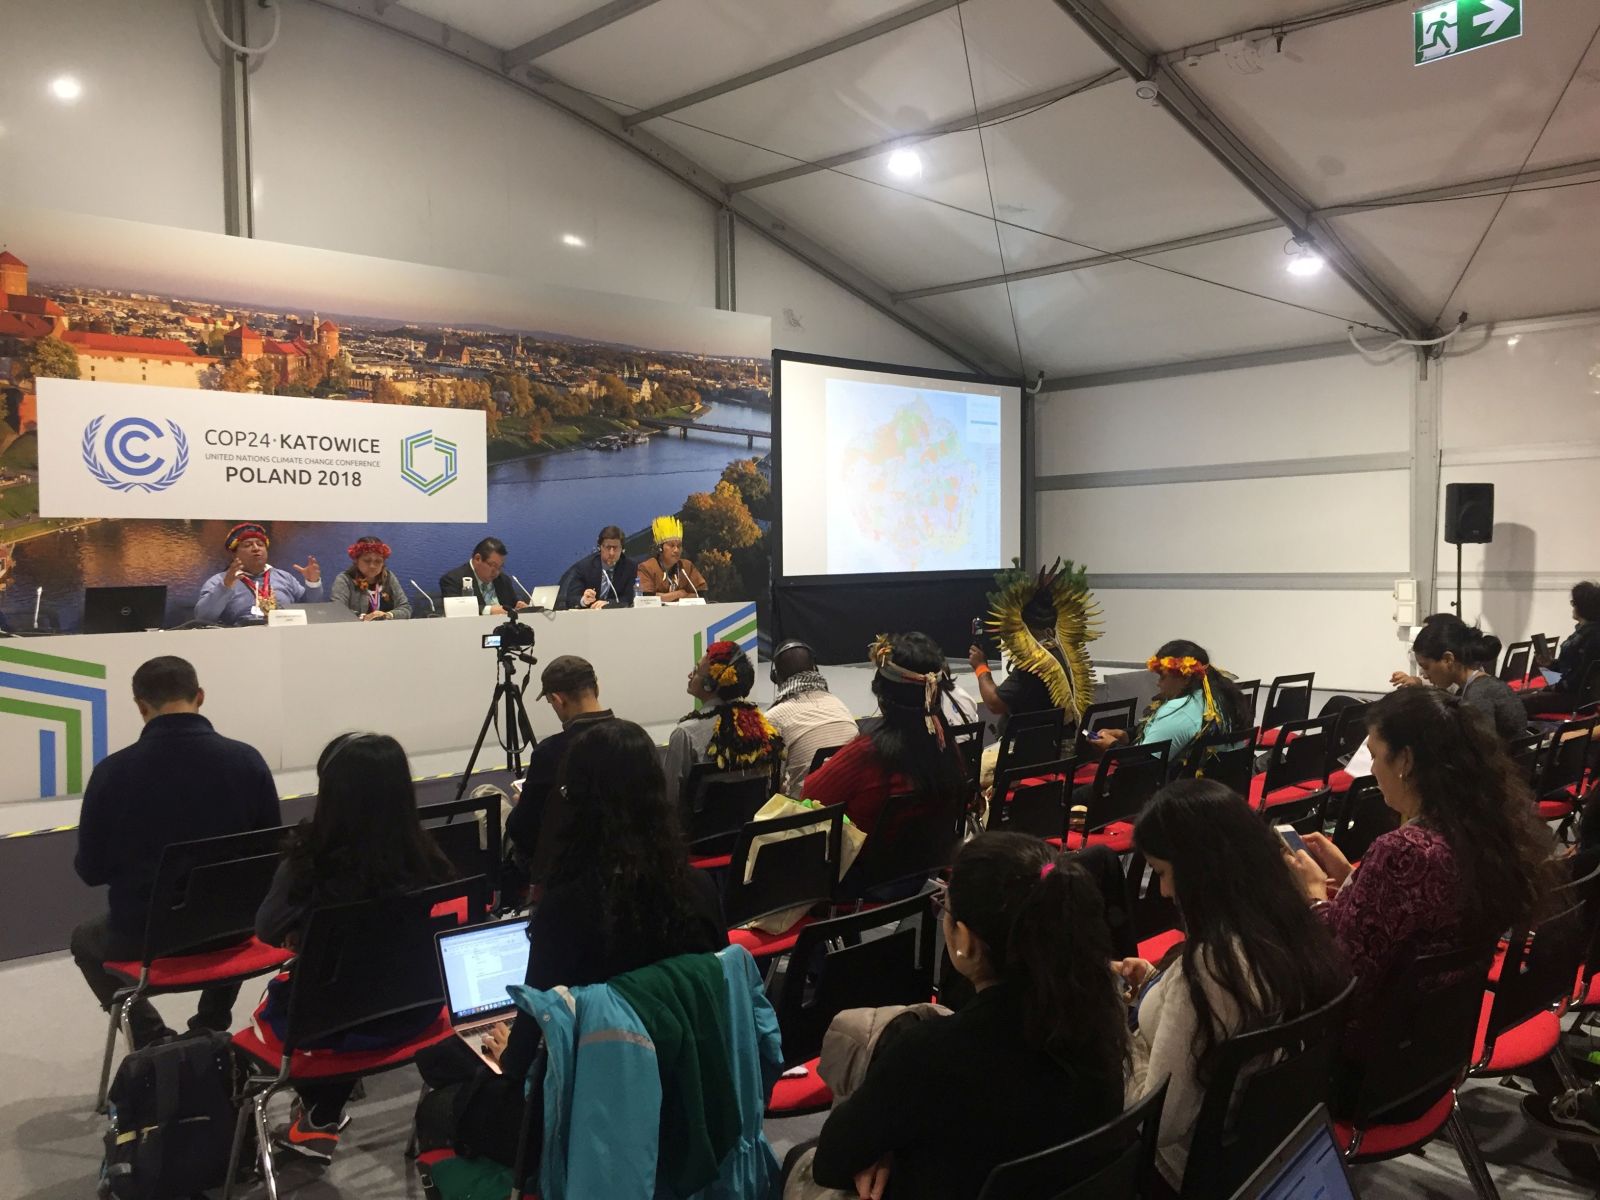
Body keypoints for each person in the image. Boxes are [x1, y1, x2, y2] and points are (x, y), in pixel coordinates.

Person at [413, 720, 728, 1173]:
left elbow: (531, 1043)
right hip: (683, 1091)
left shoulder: (569, 908)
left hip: (584, 1108)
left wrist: (509, 1054)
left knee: (438, 1097)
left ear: (575, 800)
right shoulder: (698, 889)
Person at [809, 834, 1128, 1200]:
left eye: (944, 907)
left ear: (964, 939)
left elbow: (830, 1161)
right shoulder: (1101, 1021)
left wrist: (882, 1147)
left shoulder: (927, 1054)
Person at [1286, 686, 1559, 1068]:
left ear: (1406, 761)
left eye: (1376, 756)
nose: (1372, 769)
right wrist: (1351, 878)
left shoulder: (1403, 850)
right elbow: (1419, 921)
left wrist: (1314, 898)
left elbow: (1343, 976)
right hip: (1433, 1051)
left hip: (1367, 1066)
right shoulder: (1482, 828)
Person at [1119, 779, 1349, 1191]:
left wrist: (1123, 1039)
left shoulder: (1211, 971)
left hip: (1178, 1171)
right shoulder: (1289, 927)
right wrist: (1159, 984)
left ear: (1201, 870)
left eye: (1164, 873)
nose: (1166, 890)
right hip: (1258, 1151)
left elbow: (1158, 1123)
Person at [254, 732, 456, 1162]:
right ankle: (319, 1114)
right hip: (417, 1012)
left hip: (330, 1023)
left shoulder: (307, 862)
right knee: (355, 987)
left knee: (294, 1000)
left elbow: (268, 929)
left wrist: (305, 933)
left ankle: (315, 1114)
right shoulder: (428, 857)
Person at [71, 656, 281, 1049]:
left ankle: (153, 1040)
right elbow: (268, 855)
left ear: (140, 706)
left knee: (84, 939)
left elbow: (91, 870)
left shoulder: (112, 774)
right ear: (200, 696)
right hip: (237, 931)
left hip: (145, 939)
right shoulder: (247, 761)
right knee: (228, 901)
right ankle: (211, 1021)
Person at [803, 632, 967, 836]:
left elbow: (809, 797)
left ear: (882, 697)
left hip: (867, 866)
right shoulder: (948, 749)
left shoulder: (865, 755)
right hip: (937, 863)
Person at [505, 655, 618, 880]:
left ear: (557, 699)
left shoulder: (550, 753)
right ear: (597, 687)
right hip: (622, 857)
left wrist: (521, 805)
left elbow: (522, 830)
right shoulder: (636, 739)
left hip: (567, 871)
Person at [1089, 640, 1253, 766]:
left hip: (1176, 794)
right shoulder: (1220, 697)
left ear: (1186, 677)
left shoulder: (1179, 710)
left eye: (1162, 676)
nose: (1158, 683)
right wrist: (1126, 735)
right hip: (1214, 790)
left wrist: (1112, 747)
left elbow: (1141, 766)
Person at [662, 640, 783, 810]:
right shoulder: (762, 727)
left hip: (699, 833)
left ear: (709, 685)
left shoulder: (685, 734)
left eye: (696, 671)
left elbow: (670, 799)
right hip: (749, 830)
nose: (690, 674)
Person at [1391, 617, 1526, 738]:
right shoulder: (1480, 685)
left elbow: (1482, 752)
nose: (1423, 674)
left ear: (1448, 659)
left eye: (1426, 666)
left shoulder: (1477, 696)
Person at [765, 639, 859, 797]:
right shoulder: (839, 705)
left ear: (776, 677)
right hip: (848, 808)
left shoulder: (772, 718)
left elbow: (769, 781)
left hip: (804, 815)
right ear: (816, 669)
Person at [194, 522, 322, 625]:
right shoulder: (219, 581)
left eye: (260, 544)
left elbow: (312, 610)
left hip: (286, 635)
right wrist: (225, 587)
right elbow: (202, 618)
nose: (256, 548)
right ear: (234, 553)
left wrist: (312, 584)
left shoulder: (284, 577)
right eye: (247, 545)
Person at [1523, 580, 1600, 715]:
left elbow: (1578, 678)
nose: (1572, 607)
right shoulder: (1585, 632)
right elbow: (1571, 667)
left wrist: (1552, 688)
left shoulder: (1591, 637)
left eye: (1573, 603)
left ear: (1582, 607)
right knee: (1513, 696)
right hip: (1573, 693)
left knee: (1517, 702)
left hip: (1577, 699)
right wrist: (1550, 664)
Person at [328, 534, 411, 620]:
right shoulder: (344, 580)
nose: (372, 566)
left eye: (378, 561)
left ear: (383, 563)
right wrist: (363, 618)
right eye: (367, 560)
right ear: (356, 560)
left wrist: (388, 615)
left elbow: (406, 608)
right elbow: (337, 612)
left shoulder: (388, 577)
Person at [439, 537, 525, 615]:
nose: (497, 572)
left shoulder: (503, 580)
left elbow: (513, 606)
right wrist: (489, 610)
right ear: (477, 559)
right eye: (493, 565)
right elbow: (455, 609)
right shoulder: (452, 580)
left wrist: (521, 608)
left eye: (500, 567)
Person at [559, 524, 635, 610]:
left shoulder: (629, 567)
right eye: (608, 547)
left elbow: (629, 598)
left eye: (616, 548)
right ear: (600, 547)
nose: (612, 553)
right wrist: (584, 600)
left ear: (622, 548)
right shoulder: (584, 567)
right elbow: (571, 599)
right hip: (588, 618)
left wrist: (609, 603)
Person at [635, 514, 708, 602]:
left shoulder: (686, 567)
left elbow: (700, 595)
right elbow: (648, 599)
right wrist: (679, 594)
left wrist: (665, 596)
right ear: (660, 548)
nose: (676, 550)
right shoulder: (647, 567)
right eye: (671, 545)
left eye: (679, 546)